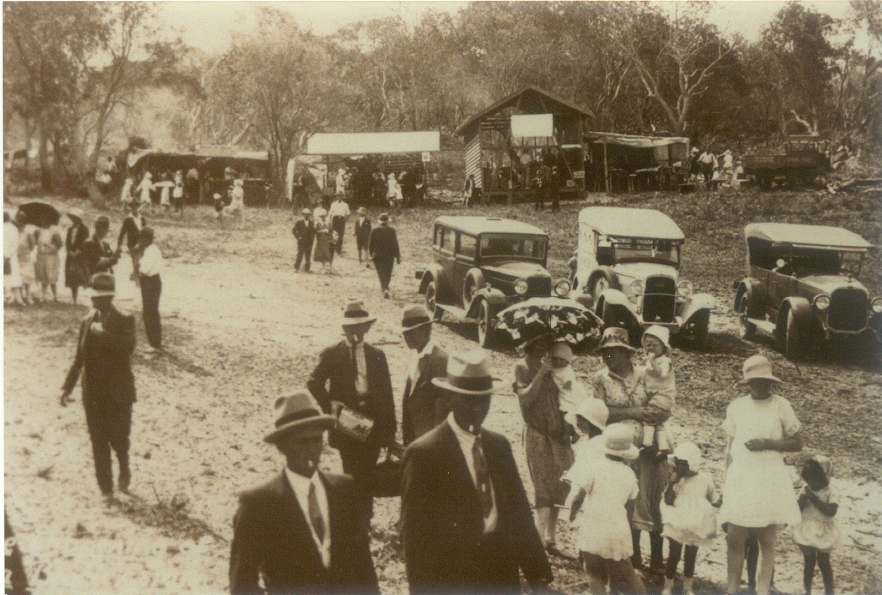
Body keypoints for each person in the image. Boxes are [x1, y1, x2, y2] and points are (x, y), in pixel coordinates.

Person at [401, 349, 554, 595]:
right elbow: (415, 538)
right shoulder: (425, 453)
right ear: (449, 398)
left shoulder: (498, 446)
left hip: (500, 575)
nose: (478, 408)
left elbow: (519, 513)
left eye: (485, 399)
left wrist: (538, 577)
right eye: (469, 400)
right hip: (453, 578)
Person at [228, 392, 380, 595]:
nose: (311, 450)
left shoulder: (344, 490)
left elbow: (363, 565)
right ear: (282, 446)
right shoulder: (259, 503)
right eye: (302, 442)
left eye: (317, 441)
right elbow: (242, 584)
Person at [307, 300, 396, 522]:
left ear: (367, 327)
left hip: (373, 422)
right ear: (344, 328)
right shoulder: (332, 353)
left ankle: (365, 517)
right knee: (351, 471)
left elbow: (386, 394)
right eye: (351, 327)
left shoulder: (377, 355)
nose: (355, 331)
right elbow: (313, 382)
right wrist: (331, 406)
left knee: (368, 471)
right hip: (347, 422)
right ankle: (354, 518)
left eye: (360, 326)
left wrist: (389, 430)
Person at [721, 355, 803, 595]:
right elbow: (729, 447)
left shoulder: (780, 405)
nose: (761, 385)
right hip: (742, 476)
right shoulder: (737, 406)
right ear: (747, 382)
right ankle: (733, 589)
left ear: (771, 382)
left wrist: (767, 443)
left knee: (766, 539)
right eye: (755, 381)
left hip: (768, 475)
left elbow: (797, 443)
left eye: (765, 381)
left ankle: (763, 589)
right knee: (735, 537)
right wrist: (726, 480)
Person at [590, 327, 669, 574]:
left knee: (653, 497)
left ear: (628, 354)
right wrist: (633, 412)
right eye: (606, 353)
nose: (610, 358)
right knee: (628, 500)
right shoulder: (600, 378)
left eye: (615, 352)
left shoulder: (647, 373)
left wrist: (657, 414)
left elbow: (665, 401)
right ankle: (632, 557)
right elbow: (598, 413)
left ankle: (657, 558)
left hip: (650, 445)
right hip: (620, 448)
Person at [60, 272, 136, 498]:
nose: (93, 300)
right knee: (98, 440)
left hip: (118, 392)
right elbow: (78, 359)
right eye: (92, 296)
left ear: (109, 297)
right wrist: (67, 387)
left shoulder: (125, 320)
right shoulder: (86, 321)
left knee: (119, 438)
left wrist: (104, 333)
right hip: (93, 393)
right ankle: (106, 488)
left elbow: (128, 348)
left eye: (98, 297)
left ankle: (124, 464)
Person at [513, 336, 576, 554]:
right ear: (528, 344)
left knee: (560, 485)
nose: (542, 350)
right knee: (542, 485)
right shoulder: (522, 367)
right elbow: (526, 400)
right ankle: (538, 541)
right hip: (537, 433)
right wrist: (541, 373)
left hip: (559, 434)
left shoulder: (556, 365)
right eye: (537, 344)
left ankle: (551, 538)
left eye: (545, 345)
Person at [568, 423, 647, 595]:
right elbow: (630, 507)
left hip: (594, 525)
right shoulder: (629, 474)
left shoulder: (594, 468)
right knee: (625, 572)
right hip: (617, 527)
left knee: (593, 571)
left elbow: (578, 497)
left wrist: (572, 516)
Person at [660, 442, 720, 595]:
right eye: (677, 464)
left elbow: (714, 499)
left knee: (690, 555)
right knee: (674, 554)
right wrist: (673, 482)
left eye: (683, 464)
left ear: (692, 464)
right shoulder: (677, 479)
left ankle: (688, 587)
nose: (679, 468)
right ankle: (668, 585)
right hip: (678, 522)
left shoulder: (705, 479)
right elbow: (668, 500)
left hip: (696, 523)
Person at [400, 305, 449, 446]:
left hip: (430, 440)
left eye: (412, 332)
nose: (407, 337)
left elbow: (442, 408)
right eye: (405, 333)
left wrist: (435, 443)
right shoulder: (417, 354)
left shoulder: (440, 360)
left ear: (428, 330)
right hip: (414, 436)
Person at [793, 455, 840, 595]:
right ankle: (807, 591)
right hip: (807, 528)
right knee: (809, 562)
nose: (811, 485)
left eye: (813, 482)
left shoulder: (830, 491)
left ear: (824, 478)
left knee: (824, 562)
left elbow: (831, 511)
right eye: (808, 482)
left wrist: (813, 499)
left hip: (824, 529)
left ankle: (829, 591)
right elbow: (798, 509)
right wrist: (802, 499)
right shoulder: (806, 489)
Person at [641, 326, 675, 461]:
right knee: (657, 422)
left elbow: (662, 373)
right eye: (648, 344)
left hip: (663, 396)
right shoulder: (650, 361)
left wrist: (652, 361)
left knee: (649, 418)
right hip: (654, 396)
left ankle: (647, 443)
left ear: (664, 347)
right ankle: (663, 448)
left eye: (655, 345)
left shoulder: (665, 361)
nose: (651, 347)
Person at [138, 227, 163, 353]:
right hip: (149, 282)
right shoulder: (148, 249)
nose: (140, 241)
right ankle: (153, 342)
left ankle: (155, 344)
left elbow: (144, 270)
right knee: (148, 312)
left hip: (151, 282)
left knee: (150, 312)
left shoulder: (152, 251)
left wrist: (136, 274)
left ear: (147, 238)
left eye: (142, 238)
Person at [368, 213, 400, 299]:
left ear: (380, 222)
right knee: (388, 272)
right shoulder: (392, 231)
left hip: (377, 256)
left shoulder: (375, 230)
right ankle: (385, 287)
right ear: (387, 222)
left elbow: (370, 245)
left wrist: (372, 255)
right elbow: (395, 244)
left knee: (381, 272)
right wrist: (398, 256)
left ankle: (384, 288)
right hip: (389, 255)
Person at [116, 200, 146, 286]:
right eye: (132, 207)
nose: (134, 208)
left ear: (138, 207)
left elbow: (145, 232)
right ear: (130, 208)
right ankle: (138, 283)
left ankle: (135, 276)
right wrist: (119, 245)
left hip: (142, 244)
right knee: (136, 262)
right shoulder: (128, 219)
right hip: (132, 244)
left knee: (140, 262)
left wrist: (146, 244)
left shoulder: (142, 219)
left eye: (136, 206)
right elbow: (122, 233)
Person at [64, 209, 90, 304]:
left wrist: (78, 251)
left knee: (83, 276)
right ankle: (74, 298)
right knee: (72, 277)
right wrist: (69, 251)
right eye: (72, 218)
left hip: (81, 256)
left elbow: (86, 242)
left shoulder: (84, 229)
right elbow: (67, 243)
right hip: (71, 256)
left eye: (75, 218)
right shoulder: (70, 229)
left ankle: (85, 298)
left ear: (79, 218)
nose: (73, 220)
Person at [34, 223, 63, 302]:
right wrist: (36, 235)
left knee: (51, 276)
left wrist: (51, 246)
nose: (43, 222)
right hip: (41, 255)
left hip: (51, 256)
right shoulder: (38, 231)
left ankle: (55, 296)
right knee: (43, 275)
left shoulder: (54, 231)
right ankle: (43, 296)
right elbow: (36, 242)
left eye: (45, 221)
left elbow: (60, 244)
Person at [14, 210, 36, 304]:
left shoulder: (28, 231)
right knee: (18, 277)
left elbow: (32, 245)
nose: (20, 222)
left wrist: (26, 250)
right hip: (16, 256)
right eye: (19, 219)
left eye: (22, 220)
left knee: (27, 277)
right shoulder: (14, 230)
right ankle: (19, 297)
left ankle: (28, 296)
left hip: (26, 256)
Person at [4, 211, 24, 306]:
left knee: (5, 277)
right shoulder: (13, 229)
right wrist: (9, 254)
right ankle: (17, 297)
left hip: (4, 256)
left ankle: (6, 297)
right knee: (14, 277)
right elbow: (16, 244)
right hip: (12, 256)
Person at [292, 208, 315, 273]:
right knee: (299, 255)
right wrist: (298, 237)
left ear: (309, 215)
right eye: (305, 214)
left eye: (308, 214)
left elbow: (314, 231)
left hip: (309, 242)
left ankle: (307, 269)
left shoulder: (312, 223)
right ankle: (296, 268)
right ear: (303, 215)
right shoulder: (299, 222)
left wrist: (312, 239)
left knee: (308, 256)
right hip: (301, 242)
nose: (306, 216)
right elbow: (293, 230)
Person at [312, 208, 333, 274]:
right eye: (321, 216)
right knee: (322, 254)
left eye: (324, 216)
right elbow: (315, 232)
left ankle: (330, 268)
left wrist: (329, 233)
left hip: (327, 240)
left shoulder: (328, 223)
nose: (323, 217)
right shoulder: (318, 223)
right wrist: (322, 231)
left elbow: (330, 231)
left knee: (328, 254)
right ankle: (323, 268)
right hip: (320, 240)